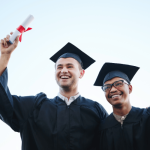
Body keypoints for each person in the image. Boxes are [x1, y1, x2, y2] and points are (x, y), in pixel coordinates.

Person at [0, 33, 108, 150]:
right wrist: (5, 55)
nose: (64, 70)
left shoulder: (95, 110)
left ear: (81, 73)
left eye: (70, 66)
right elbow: (3, 101)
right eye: (59, 67)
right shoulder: (34, 107)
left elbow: (113, 140)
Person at [94, 62, 150, 150]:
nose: (112, 90)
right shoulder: (102, 128)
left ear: (130, 88)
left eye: (118, 83)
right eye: (107, 87)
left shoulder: (146, 117)